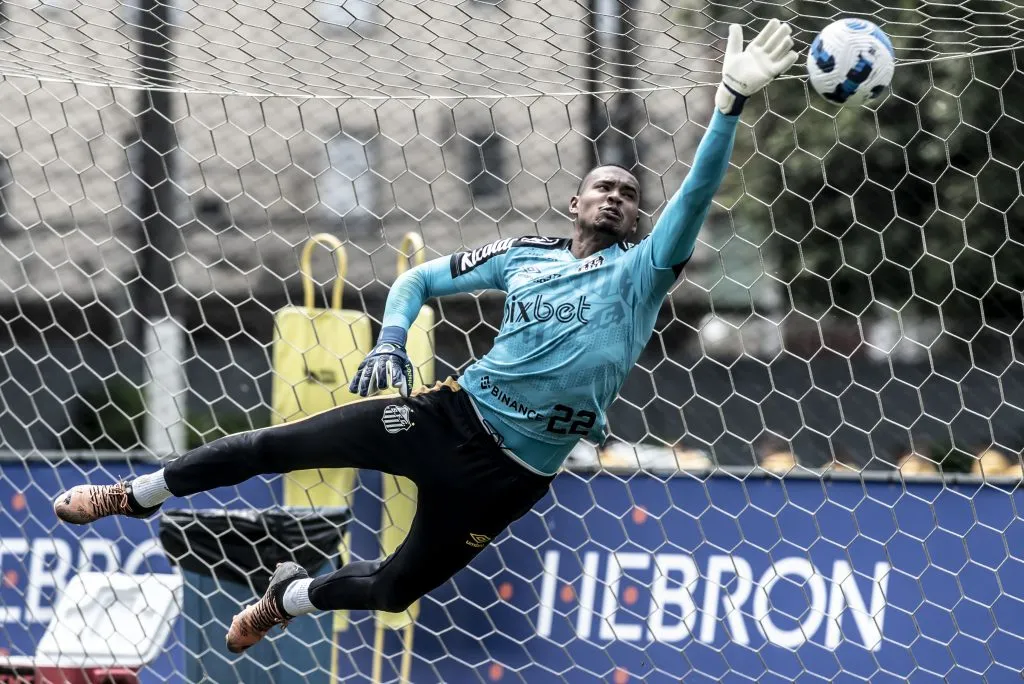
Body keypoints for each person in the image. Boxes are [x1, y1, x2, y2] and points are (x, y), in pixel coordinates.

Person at [53, 20, 798, 654]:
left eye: (629, 194)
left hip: (511, 478)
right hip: (446, 419)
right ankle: (137, 493)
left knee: (395, 586)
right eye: (604, 186)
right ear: (575, 202)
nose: (616, 196)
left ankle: (288, 598)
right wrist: (389, 341)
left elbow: (697, 194)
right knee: (278, 444)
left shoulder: (641, 275)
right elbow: (415, 281)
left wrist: (728, 102)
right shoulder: (522, 259)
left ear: (637, 220)